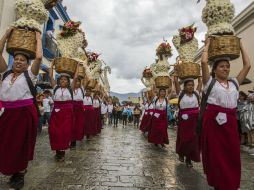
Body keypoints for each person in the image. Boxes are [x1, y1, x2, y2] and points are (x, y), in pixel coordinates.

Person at [200, 38, 251, 190]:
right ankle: (219, 184)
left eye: (227, 67)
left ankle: (231, 183)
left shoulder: (235, 83)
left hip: (229, 123)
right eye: (222, 66)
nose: (226, 69)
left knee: (232, 155)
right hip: (213, 123)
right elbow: (203, 63)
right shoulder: (209, 82)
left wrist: (240, 44)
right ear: (214, 70)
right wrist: (207, 45)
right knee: (217, 156)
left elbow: (247, 65)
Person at [0, 28, 42, 189]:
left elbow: (38, 57)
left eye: (22, 60)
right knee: (5, 144)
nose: (18, 61)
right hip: (5, 114)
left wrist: (38, 38)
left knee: (19, 145)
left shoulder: (30, 75)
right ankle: (10, 169)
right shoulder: (6, 74)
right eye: (16, 59)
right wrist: (7, 35)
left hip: (23, 114)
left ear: (27, 64)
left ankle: (19, 173)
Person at [48, 63, 76, 162]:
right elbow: (50, 76)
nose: (63, 81)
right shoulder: (55, 87)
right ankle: (57, 151)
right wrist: (51, 66)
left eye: (65, 80)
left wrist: (77, 66)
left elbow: (75, 77)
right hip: (56, 114)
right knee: (54, 132)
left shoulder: (70, 89)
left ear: (68, 82)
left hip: (67, 114)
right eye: (61, 79)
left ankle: (62, 152)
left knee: (64, 132)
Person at [174, 76, 202, 168]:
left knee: (193, 140)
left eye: (192, 85)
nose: (191, 87)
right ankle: (181, 153)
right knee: (184, 138)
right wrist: (176, 75)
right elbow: (176, 83)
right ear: (184, 87)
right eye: (188, 85)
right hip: (184, 121)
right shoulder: (181, 94)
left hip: (194, 121)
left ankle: (189, 159)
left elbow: (200, 85)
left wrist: (199, 78)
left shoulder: (196, 94)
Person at [71, 77, 85, 148]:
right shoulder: (70, 89)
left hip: (79, 108)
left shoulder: (82, 89)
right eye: (75, 81)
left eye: (78, 82)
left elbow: (85, 79)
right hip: (72, 107)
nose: (77, 83)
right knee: (71, 124)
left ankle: (76, 139)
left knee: (78, 124)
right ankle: (72, 140)